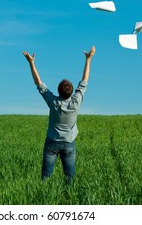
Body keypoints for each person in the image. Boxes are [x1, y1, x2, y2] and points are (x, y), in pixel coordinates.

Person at [22, 46, 95, 183]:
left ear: (58, 91)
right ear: (72, 91)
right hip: (69, 143)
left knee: (45, 178)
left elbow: (39, 83)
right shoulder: (76, 102)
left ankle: (45, 200)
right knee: (70, 178)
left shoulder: (53, 102)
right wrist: (89, 59)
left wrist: (31, 62)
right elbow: (84, 82)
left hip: (52, 143)